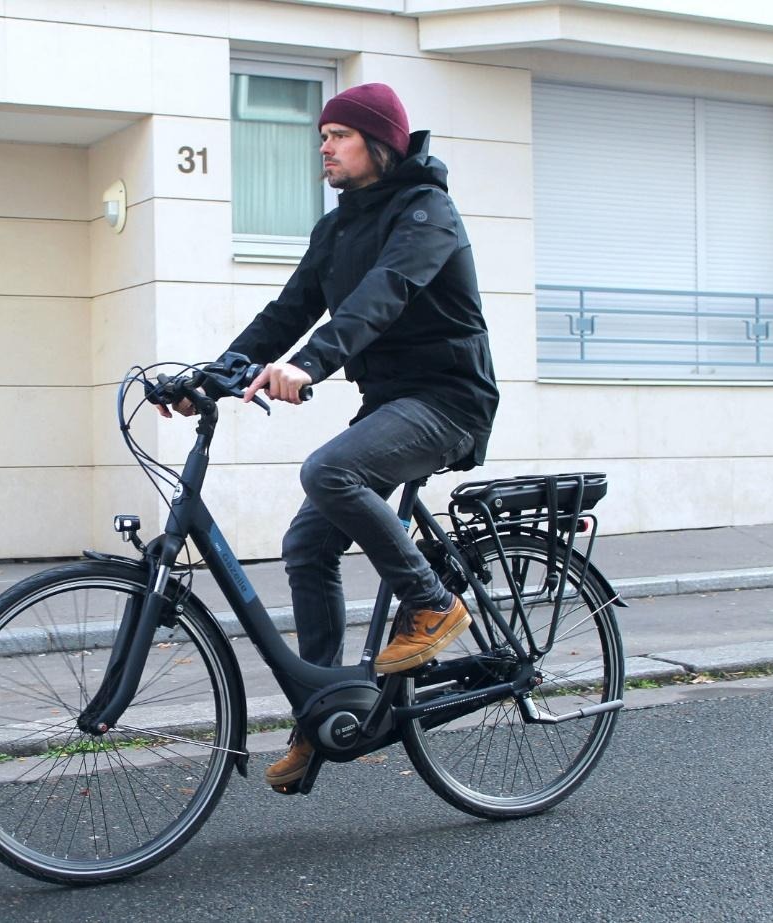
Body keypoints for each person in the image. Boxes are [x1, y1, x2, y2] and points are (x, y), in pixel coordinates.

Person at [164, 82, 499, 789]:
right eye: (321, 135)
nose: (324, 145)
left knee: (328, 470)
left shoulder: (426, 213)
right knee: (307, 543)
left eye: (339, 134)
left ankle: (433, 603)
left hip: (447, 400)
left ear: (381, 143)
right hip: (389, 404)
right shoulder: (338, 227)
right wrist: (208, 377)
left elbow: (385, 294)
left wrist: (310, 364)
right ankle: (318, 714)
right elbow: (285, 310)